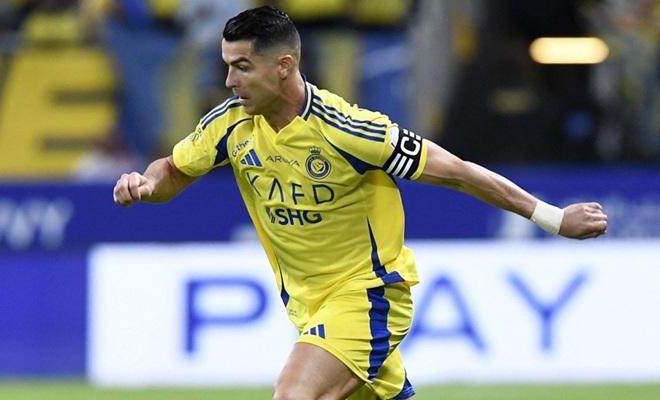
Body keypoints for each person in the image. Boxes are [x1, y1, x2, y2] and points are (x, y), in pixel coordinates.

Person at [112, 6, 608, 400]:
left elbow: (457, 172)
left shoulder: (349, 130)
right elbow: (175, 169)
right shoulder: (230, 124)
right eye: (227, 66)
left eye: (242, 67)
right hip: (307, 306)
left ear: (284, 66)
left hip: (370, 294)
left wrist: (553, 217)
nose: (229, 81)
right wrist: (148, 185)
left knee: (293, 394)